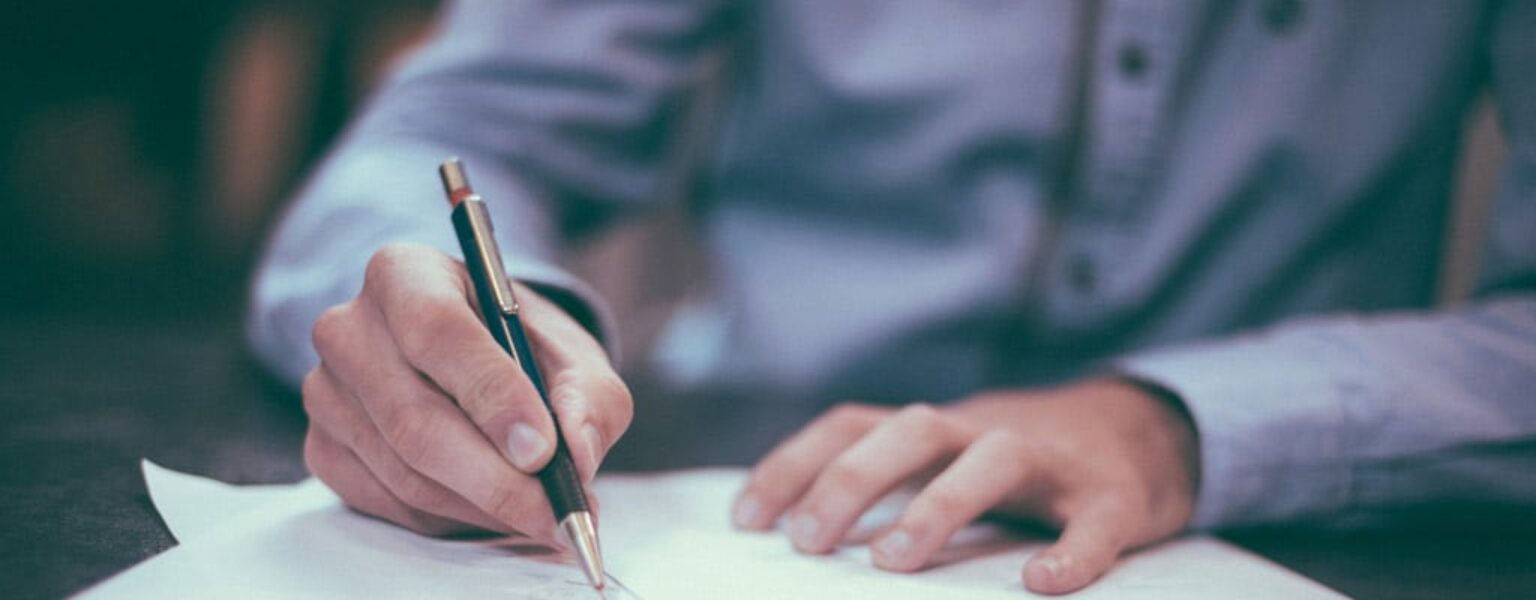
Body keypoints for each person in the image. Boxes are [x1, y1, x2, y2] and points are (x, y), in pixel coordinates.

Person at [248, 1, 1536, 595]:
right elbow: (453, 130)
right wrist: (462, 333)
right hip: (750, 486)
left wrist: (1179, 424)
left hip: (1294, 525)